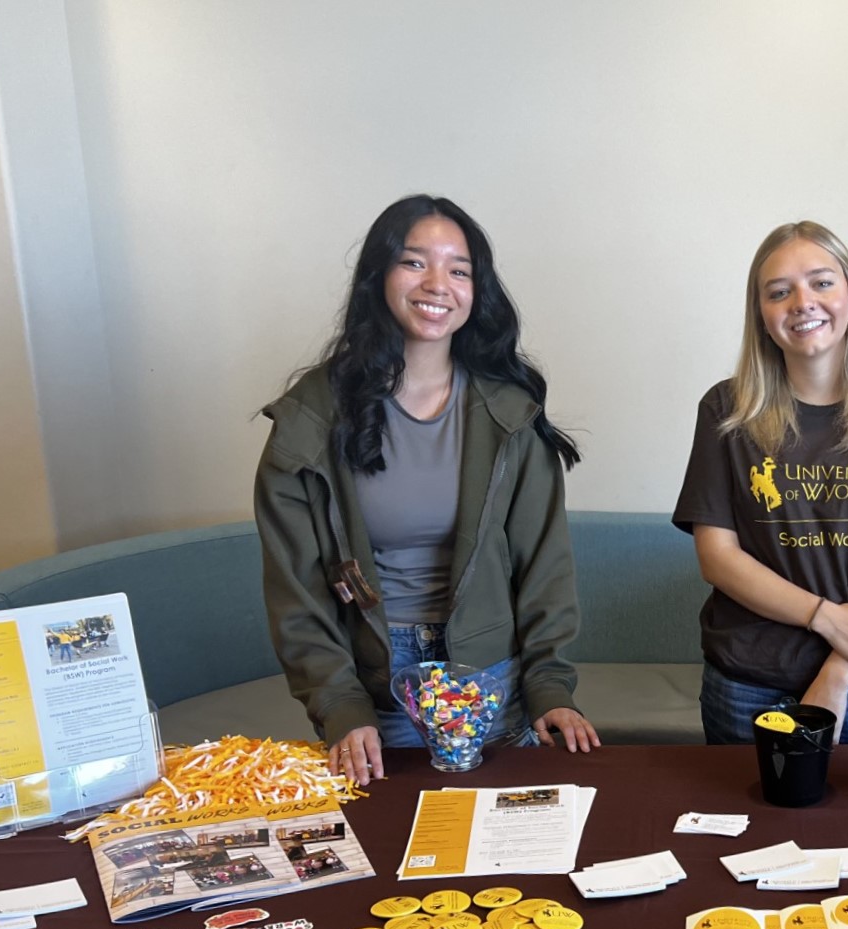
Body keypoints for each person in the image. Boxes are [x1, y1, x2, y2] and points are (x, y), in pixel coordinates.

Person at [256, 194, 600, 785]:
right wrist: (341, 705)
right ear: (378, 276)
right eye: (415, 262)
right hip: (375, 685)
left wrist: (550, 686)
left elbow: (544, 568)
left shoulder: (510, 416)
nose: (438, 284)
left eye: (459, 270)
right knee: (393, 852)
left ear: (476, 290)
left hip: (491, 679)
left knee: (501, 848)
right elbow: (298, 592)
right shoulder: (308, 423)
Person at [675, 221, 848, 744]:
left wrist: (837, 672)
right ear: (761, 315)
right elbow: (717, 557)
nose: (802, 302)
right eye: (779, 292)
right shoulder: (725, 410)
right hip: (746, 682)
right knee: (745, 824)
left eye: (822, 282)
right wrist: (826, 617)